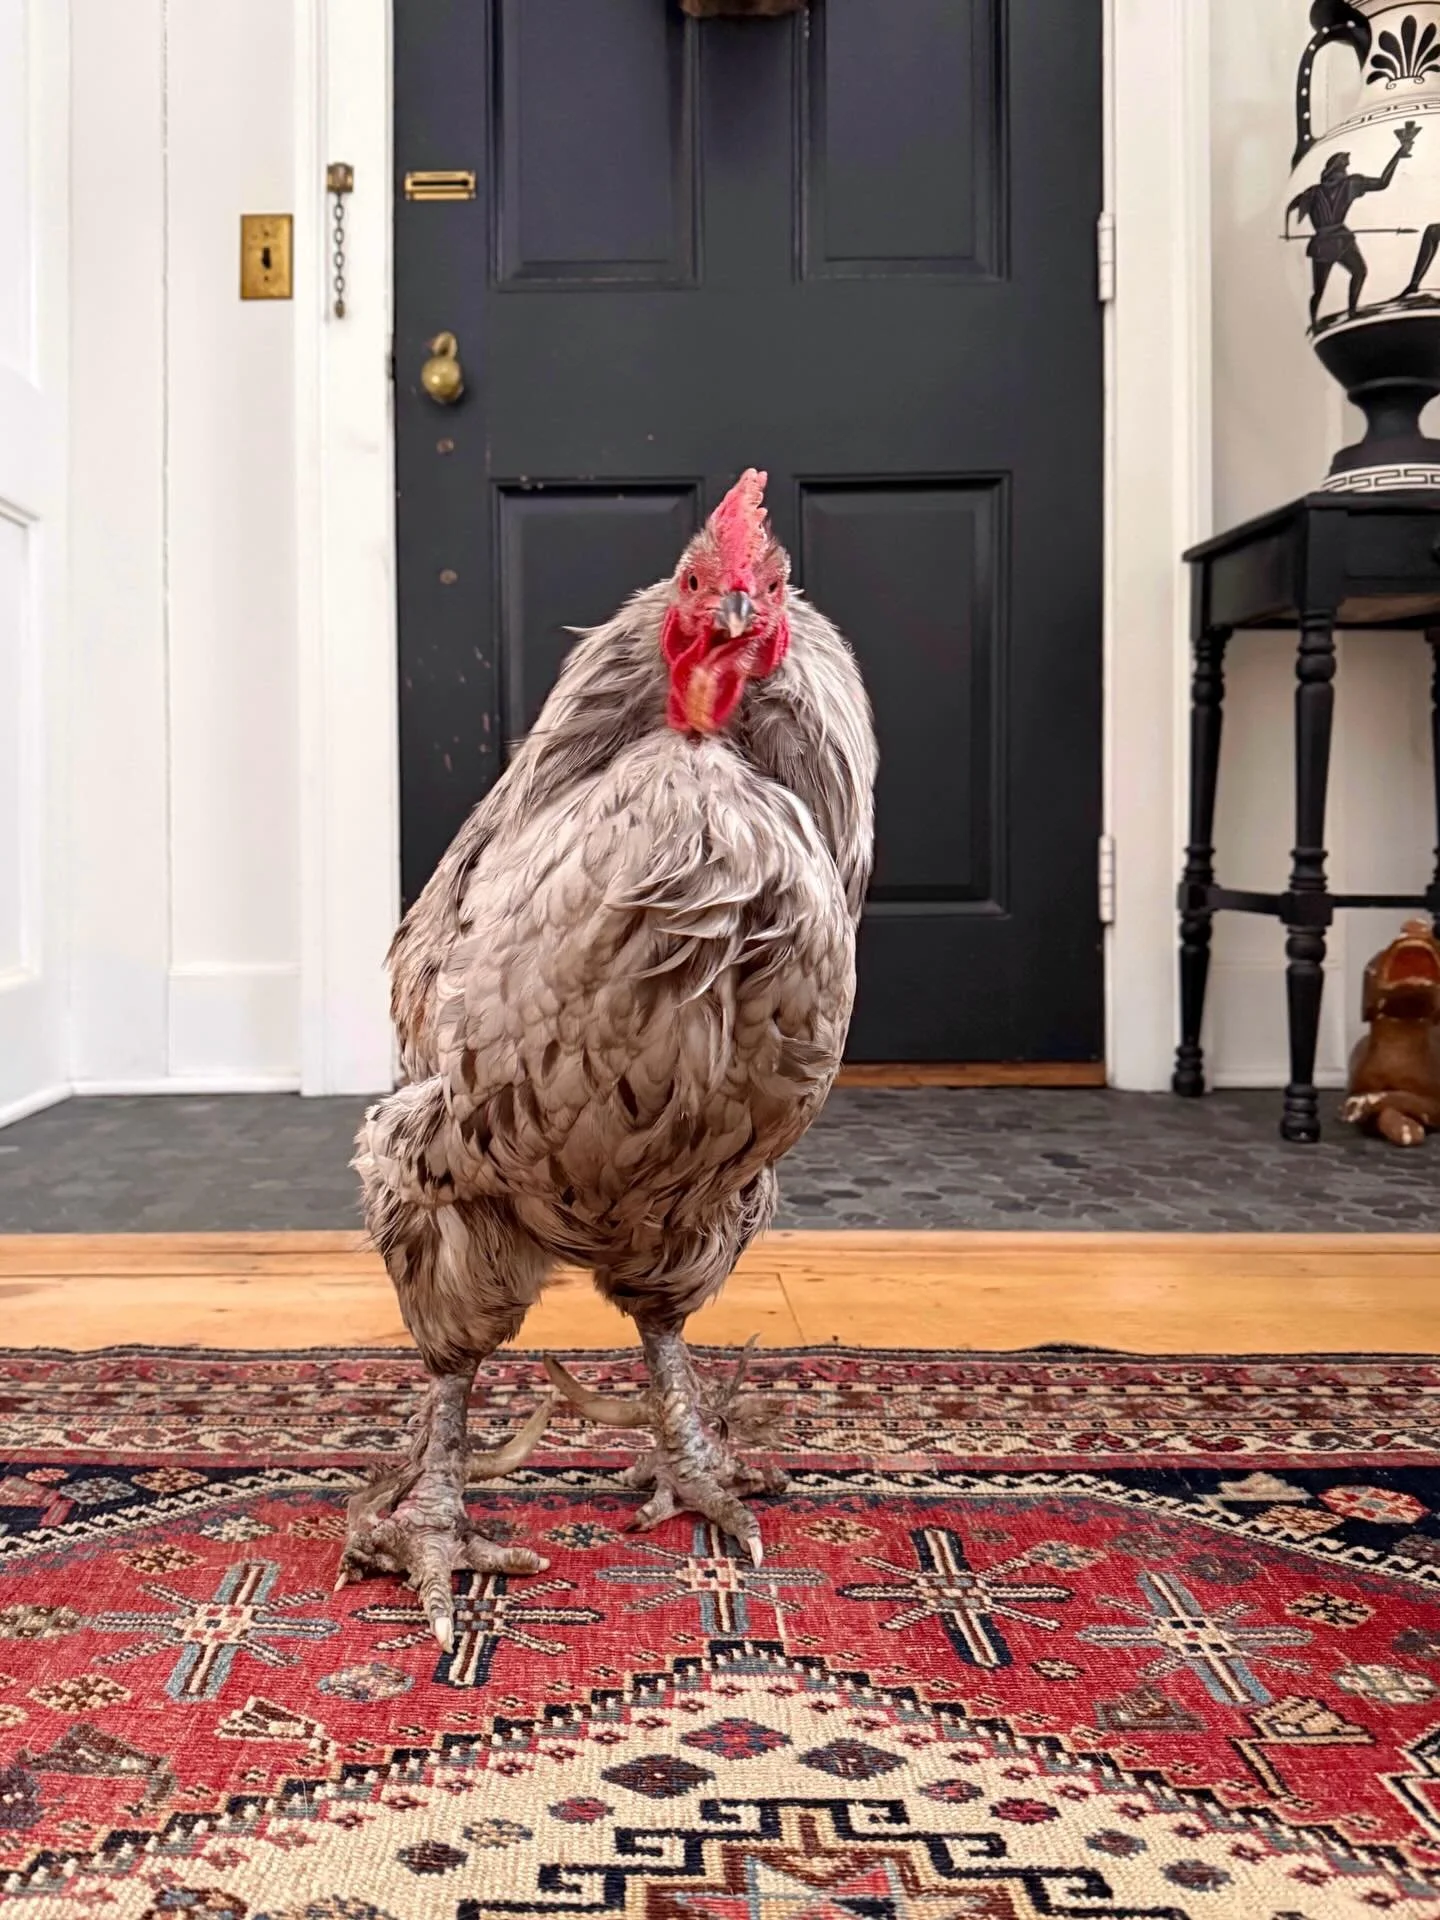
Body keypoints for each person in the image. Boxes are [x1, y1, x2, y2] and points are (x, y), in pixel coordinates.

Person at [1286, 123, 1420, 326]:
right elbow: (1383, 182)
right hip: (1338, 239)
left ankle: (1320, 321)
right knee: (1354, 274)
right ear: (1337, 169)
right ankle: (1347, 313)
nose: (1346, 170)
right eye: (1344, 167)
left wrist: (1287, 232)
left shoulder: (1312, 192)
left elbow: (1290, 207)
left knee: (1323, 287)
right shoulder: (1349, 184)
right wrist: (1398, 155)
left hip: (1323, 242)